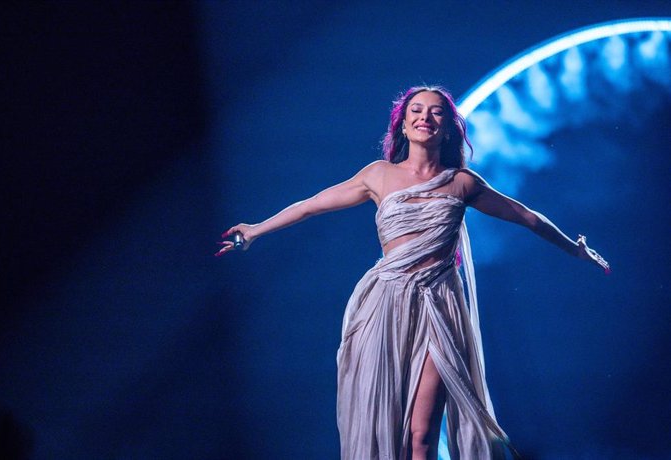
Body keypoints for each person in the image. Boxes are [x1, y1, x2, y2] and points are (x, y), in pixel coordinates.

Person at [216, 86, 610, 460]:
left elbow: (525, 216)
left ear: (448, 129)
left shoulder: (462, 183)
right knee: (384, 426)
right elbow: (311, 205)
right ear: (403, 125)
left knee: (421, 435)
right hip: (384, 305)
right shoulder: (378, 175)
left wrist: (573, 249)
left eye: (436, 112)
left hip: (440, 308)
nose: (426, 117)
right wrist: (255, 230)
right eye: (416, 111)